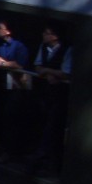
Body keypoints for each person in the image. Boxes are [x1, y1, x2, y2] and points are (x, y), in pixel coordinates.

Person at [0, 20, 31, 159]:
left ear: (8, 31)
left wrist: (4, 63)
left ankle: (12, 151)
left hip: (17, 87)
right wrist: (1, 62)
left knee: (12, 117)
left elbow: (19, 64)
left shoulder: (19, 46)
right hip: (3, 86)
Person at [31, 25, 72, 172]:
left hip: (59, 95)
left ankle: (50, 162)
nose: (43, 35)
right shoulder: (43, 47)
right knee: (42, 123)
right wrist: (50, 73)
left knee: (53, 127)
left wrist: (48, 71)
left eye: (46, 33)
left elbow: (66, 73)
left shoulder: (67, 50)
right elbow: (37, 67)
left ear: (55, 36)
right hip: (44, 93)